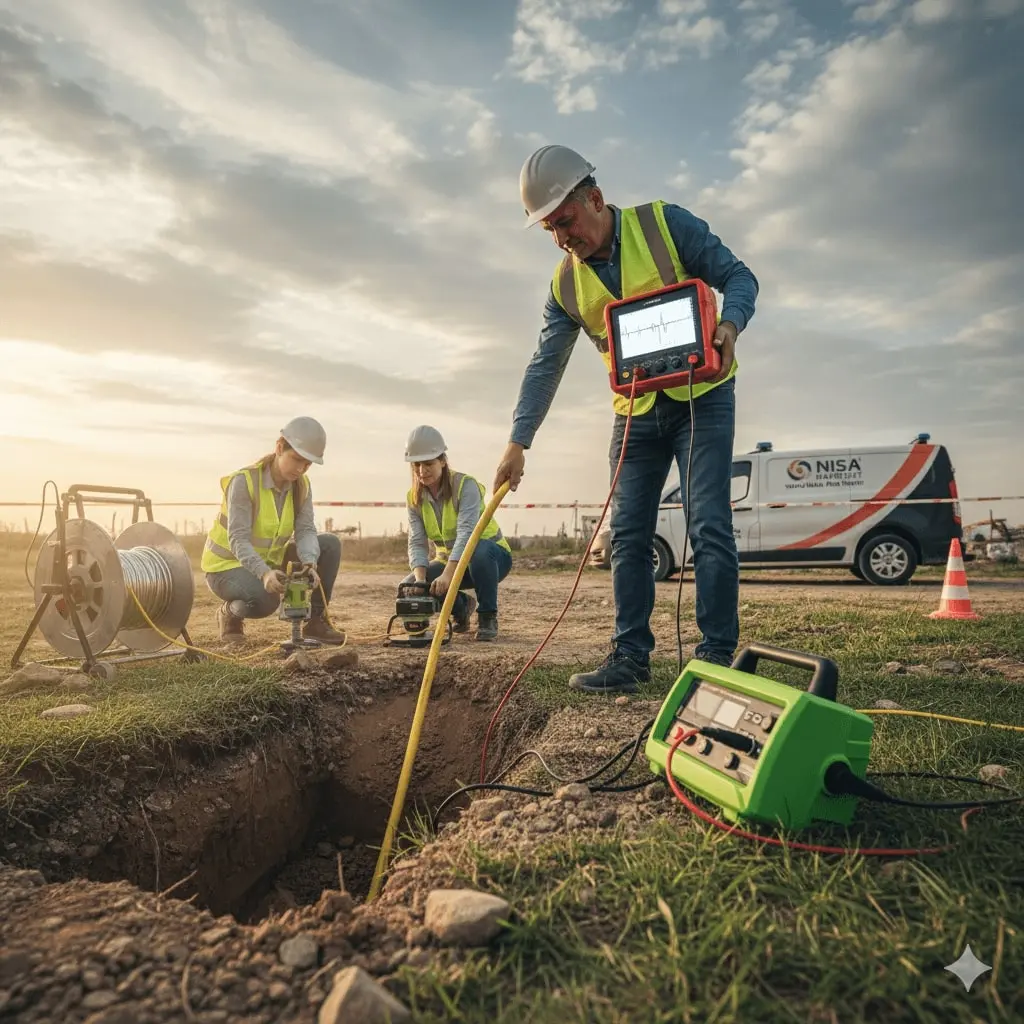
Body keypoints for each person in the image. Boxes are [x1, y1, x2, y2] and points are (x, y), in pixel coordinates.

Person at [493, 145, 759, 693]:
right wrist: (519, 441)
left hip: (702, 397)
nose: (563, 238)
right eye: (549, 230)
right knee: (627, 535)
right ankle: (630, 658)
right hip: (635, 413)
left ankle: (713, 658)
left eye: (566, 221)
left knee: (708, 521)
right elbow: (546, 364)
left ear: (595, 198)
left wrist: (730, 325)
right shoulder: (565, 285)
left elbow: (739, 277)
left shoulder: (665, 225)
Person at [201, 416, 345, 645]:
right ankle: (230, 613)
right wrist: (265, 573)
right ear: (279, 448)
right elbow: (237, 538)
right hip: (225, 567)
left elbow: (306, 529)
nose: (301, 469)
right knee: (266, 600)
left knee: (329, 544)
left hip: (267, 561)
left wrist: (309, 562)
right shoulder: (244, 482)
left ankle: (316, 622)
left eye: (307, 464)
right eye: (296, 459)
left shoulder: (301, 486)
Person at [402, 424, 512, 641]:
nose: (422, 471)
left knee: (478, 550)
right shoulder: (414, 498)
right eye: (416, 465)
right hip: (451, 564)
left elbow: (466, 534)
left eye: (428, 463)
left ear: (442, 461)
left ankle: (487, 616)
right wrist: (421, 581)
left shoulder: (465, 486)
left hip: (490, 559)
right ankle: (461, 607)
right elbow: (416, 541)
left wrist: (447, 575)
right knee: (406, 587)